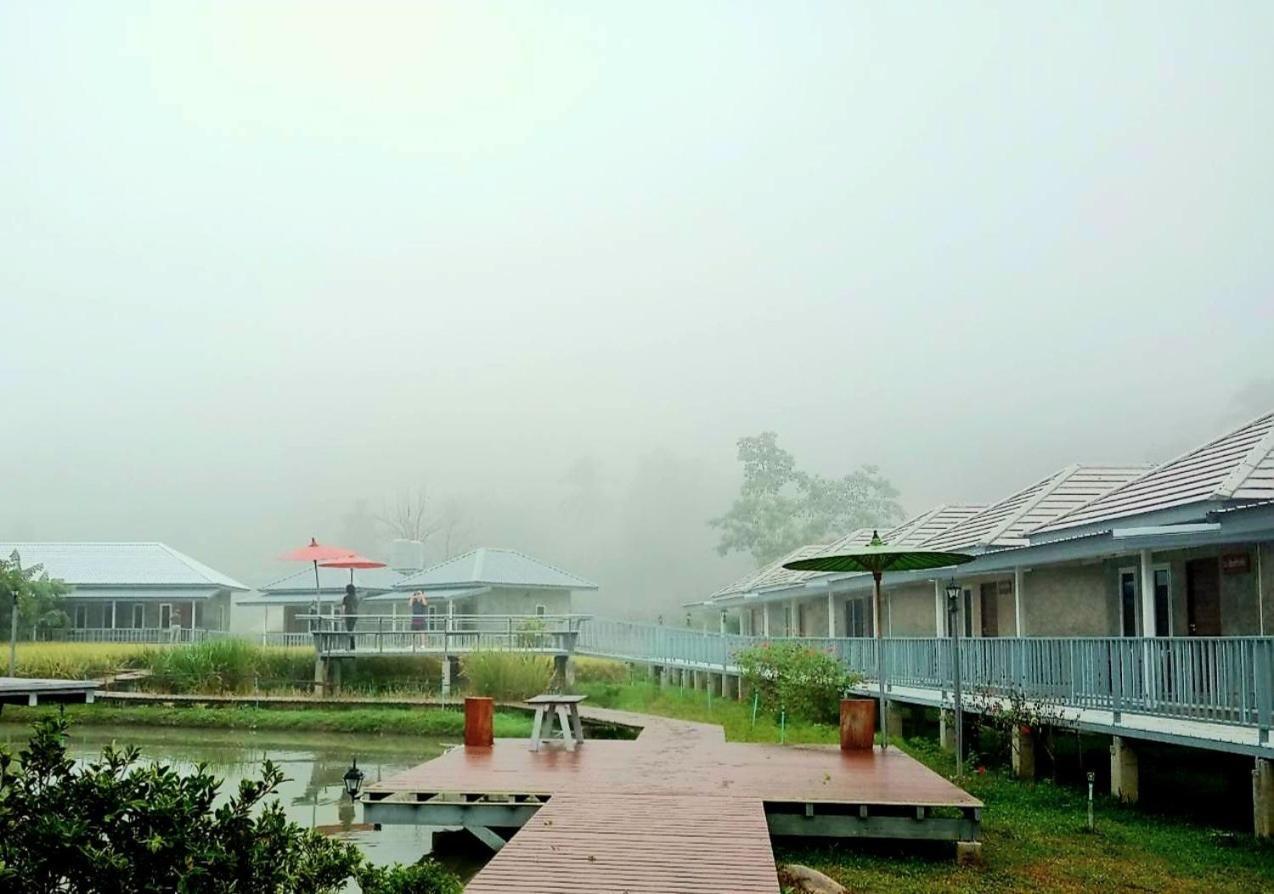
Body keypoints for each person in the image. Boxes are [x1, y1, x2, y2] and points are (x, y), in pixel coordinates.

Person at [343, 583, 359, 650]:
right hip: (355, 614)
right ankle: (352, 645)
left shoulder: (346, 597)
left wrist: (343, 615)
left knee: (349, 630)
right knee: (351, 629)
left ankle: (351, 645)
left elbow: (344, 606)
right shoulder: (356, 597)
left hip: (348, 614)